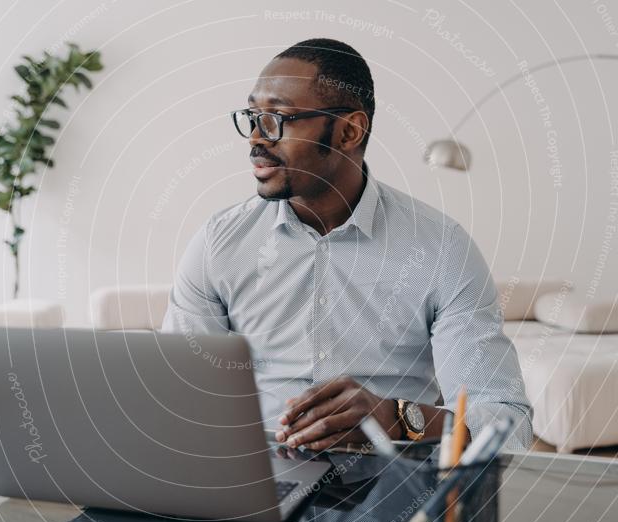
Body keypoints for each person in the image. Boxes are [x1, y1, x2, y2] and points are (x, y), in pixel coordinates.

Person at [162, 38, 532, 451]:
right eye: (253, 116)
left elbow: (507, 423)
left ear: (348, 131)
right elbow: (178, 403)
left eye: (277, 119)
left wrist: (396, 419)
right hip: (252, 486)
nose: (254, 138)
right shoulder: (219, 243)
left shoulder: (442, 249)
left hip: (393, 487)